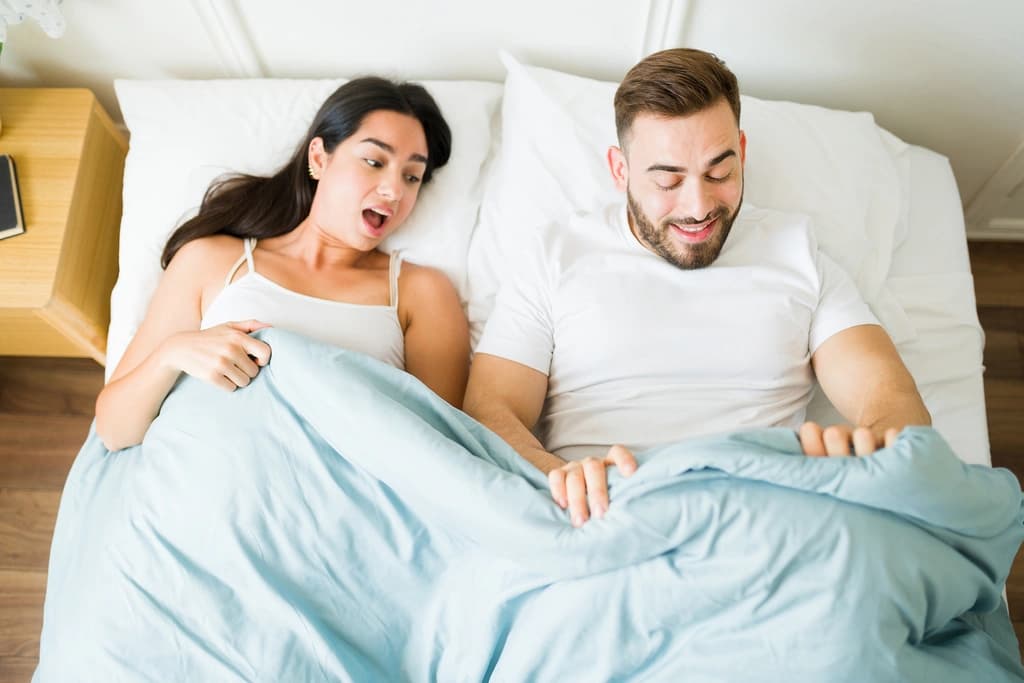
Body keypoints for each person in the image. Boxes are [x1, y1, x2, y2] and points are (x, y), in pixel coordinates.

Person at [463, 49, 930, 528]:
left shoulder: (799, 253)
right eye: (668, 179)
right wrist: (559, 477)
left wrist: (856, 463)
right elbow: (489, 410)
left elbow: (892, 401)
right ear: (620, 170)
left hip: (765, 517)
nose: (699, 206)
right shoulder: (556, 256)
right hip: (605, 516)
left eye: (719, 173)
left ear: (741, 153)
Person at [96, 77, 470, 451]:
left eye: (412, 177)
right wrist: (172, 354)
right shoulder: (211, 259)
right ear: (319, 158)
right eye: (374, 162)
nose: (394, 191)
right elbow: (114, 430)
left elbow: (439, 452)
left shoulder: (421, 291)